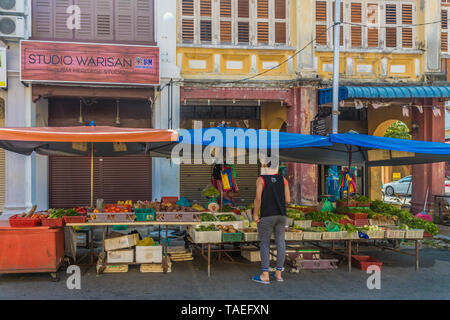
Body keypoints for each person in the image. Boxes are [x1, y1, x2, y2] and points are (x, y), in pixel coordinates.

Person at [252, 155, 290, 284]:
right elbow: (288, 200)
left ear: (264, 166)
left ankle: (265, 275)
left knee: (265, 243)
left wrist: (255, 215)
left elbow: (258, 199)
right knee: (280, 242)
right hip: (282, 215)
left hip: (267, 215)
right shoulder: (283, 179)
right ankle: (278, 274)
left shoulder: (261, 179)